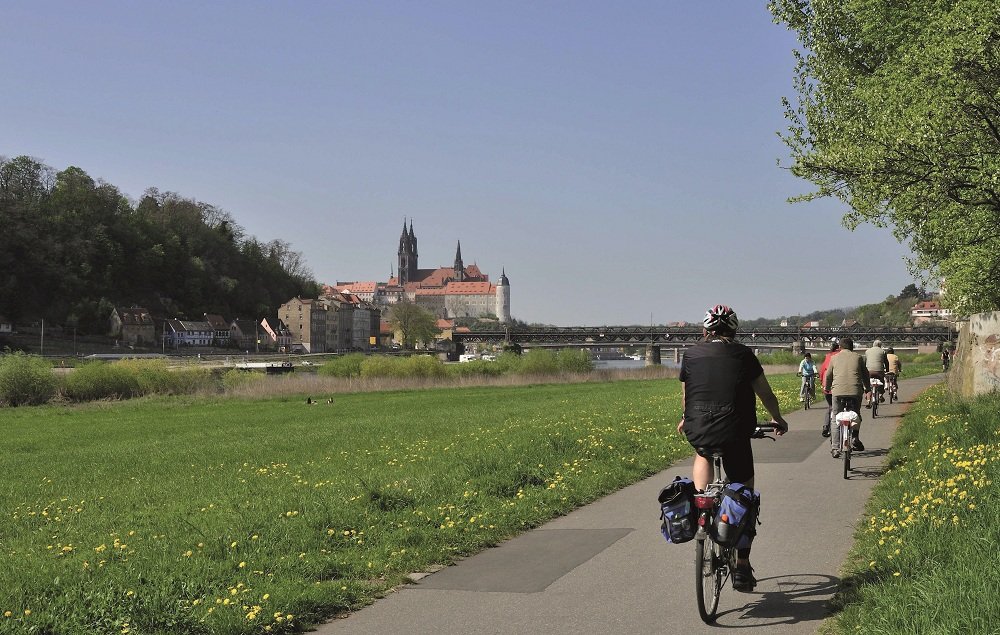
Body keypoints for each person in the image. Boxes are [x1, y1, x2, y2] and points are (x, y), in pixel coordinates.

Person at [677, 304, 789, 592]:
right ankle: (741, 566)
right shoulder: (743, 354)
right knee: (745, 495)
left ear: (705, 330)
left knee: (703, 451)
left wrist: (685, 419)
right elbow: (764, 392)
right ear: (733, 330)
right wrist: (777, 419)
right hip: (736, 432)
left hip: (699, 429)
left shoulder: (690, 355)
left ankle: (702, 509)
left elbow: (688, 397)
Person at [823, 336, 871, 452]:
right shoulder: (859, 358)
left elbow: (828, 375)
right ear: (852, 347)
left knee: (835, 418)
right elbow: (865, 375)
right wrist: (867, 389)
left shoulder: (834, 358)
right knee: (856, 414)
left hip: (837, 392)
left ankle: (835, 448)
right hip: (855, 392)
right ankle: (855, 437)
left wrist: (828, 388)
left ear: (839, 347)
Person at [818, 340, 841, 437]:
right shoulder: (841, 355)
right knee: (841, 407)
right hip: (838, 386)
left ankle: (825, 426)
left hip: (826, 386)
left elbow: (822, 371)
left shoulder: (827, 356)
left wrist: (821, 382)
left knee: (830, 407)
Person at [864, 339, 889, 407]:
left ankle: (868, 399)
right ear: (880, 345)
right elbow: (886, 362)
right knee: (881, 381)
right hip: (879, 371)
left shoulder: (867, 351)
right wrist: (887, 371)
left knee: (867, 384)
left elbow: (865, 362)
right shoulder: (883, 351)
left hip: (869, 371)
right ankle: (881, 394)